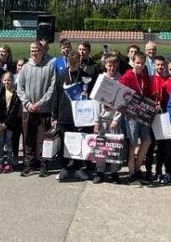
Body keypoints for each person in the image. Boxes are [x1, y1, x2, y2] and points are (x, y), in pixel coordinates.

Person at [51, 50, 97, 181]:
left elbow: (91, 97)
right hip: (64, 115)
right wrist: (54, 116)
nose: (73, 66)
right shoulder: (62, 76)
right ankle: (65, 167)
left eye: (76, 63)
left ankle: (77, 167)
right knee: (64, 143)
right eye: (71, 64)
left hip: (80, 117)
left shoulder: (86, 77)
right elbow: (56, 96)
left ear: (79, 62)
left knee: (79, 142)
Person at [17, 41, 57, 177]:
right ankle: (29, 164)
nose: (34, 53)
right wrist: (27, 104)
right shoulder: (25, 67)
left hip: (43, 110)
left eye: (37, 50)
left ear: (42, 51)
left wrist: (40, 103)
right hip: (27, 110)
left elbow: (52, 88)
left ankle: (43, 164)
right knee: (28, 138)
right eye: (32, 50)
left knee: (43, 139)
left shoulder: (49, 67)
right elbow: (19, 88)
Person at [118, 51, 156, 185]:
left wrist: (153, 104)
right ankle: (131, 172)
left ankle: (138, 168)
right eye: (137, 62)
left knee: (147, 141)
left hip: (144, 114)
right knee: (133, 143)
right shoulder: (127, 76)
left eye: (142, 63)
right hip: (131, 115)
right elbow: (119, 95)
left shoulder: (144, 76)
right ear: (133, 62)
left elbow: (149, 94)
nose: (140, 65)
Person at [92, 54, 124, 184]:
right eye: (109, 65)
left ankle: (114, 172)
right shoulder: (100, 78)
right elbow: (95, 102)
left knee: (115, 147)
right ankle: (100, 172)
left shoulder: (120, 79)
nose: (112, 67)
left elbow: (121, 103)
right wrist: (96, 121)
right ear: (105, 65)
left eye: (114, 65)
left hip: (114, 121)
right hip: (102, 119)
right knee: (101, 147)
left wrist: (116, 119)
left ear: (117, 65)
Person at [147, 55, 171, 184]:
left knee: (166, 146)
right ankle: (152, 172)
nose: (160, 67)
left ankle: (168, 171)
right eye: (158, 65)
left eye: (162, 65)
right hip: (152, 117)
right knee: (152, 145)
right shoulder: (150, 79)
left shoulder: (168, 80)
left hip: (166, 116)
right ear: (154, 65)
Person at [0, 72, 21, 173]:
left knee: (9, 142)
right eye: (5, 80)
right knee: (0, 142)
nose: (7, 82)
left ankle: (9, 162)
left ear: (13, 81)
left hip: (10, 123)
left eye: (9, 80)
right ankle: (0, 162)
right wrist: (0, 122)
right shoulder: (0, 91)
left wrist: (6, 123)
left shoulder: (16, 93)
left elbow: (14, 110)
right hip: (0, 123)